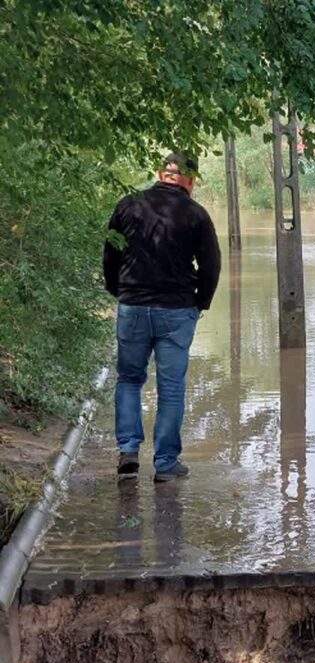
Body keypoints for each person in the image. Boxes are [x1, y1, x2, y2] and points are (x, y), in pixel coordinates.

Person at [103, 153, 221, 482]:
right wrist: (201, 303)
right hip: (177, 310)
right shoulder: (196, 214)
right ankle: (166, 464)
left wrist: (120, 291)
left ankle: (128, 451)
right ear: (191, 181)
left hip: (133, 307)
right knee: (170, 388)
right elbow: (211, 265)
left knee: (128, 379)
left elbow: (110, 254)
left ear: (160, 173)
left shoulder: (128, 205)